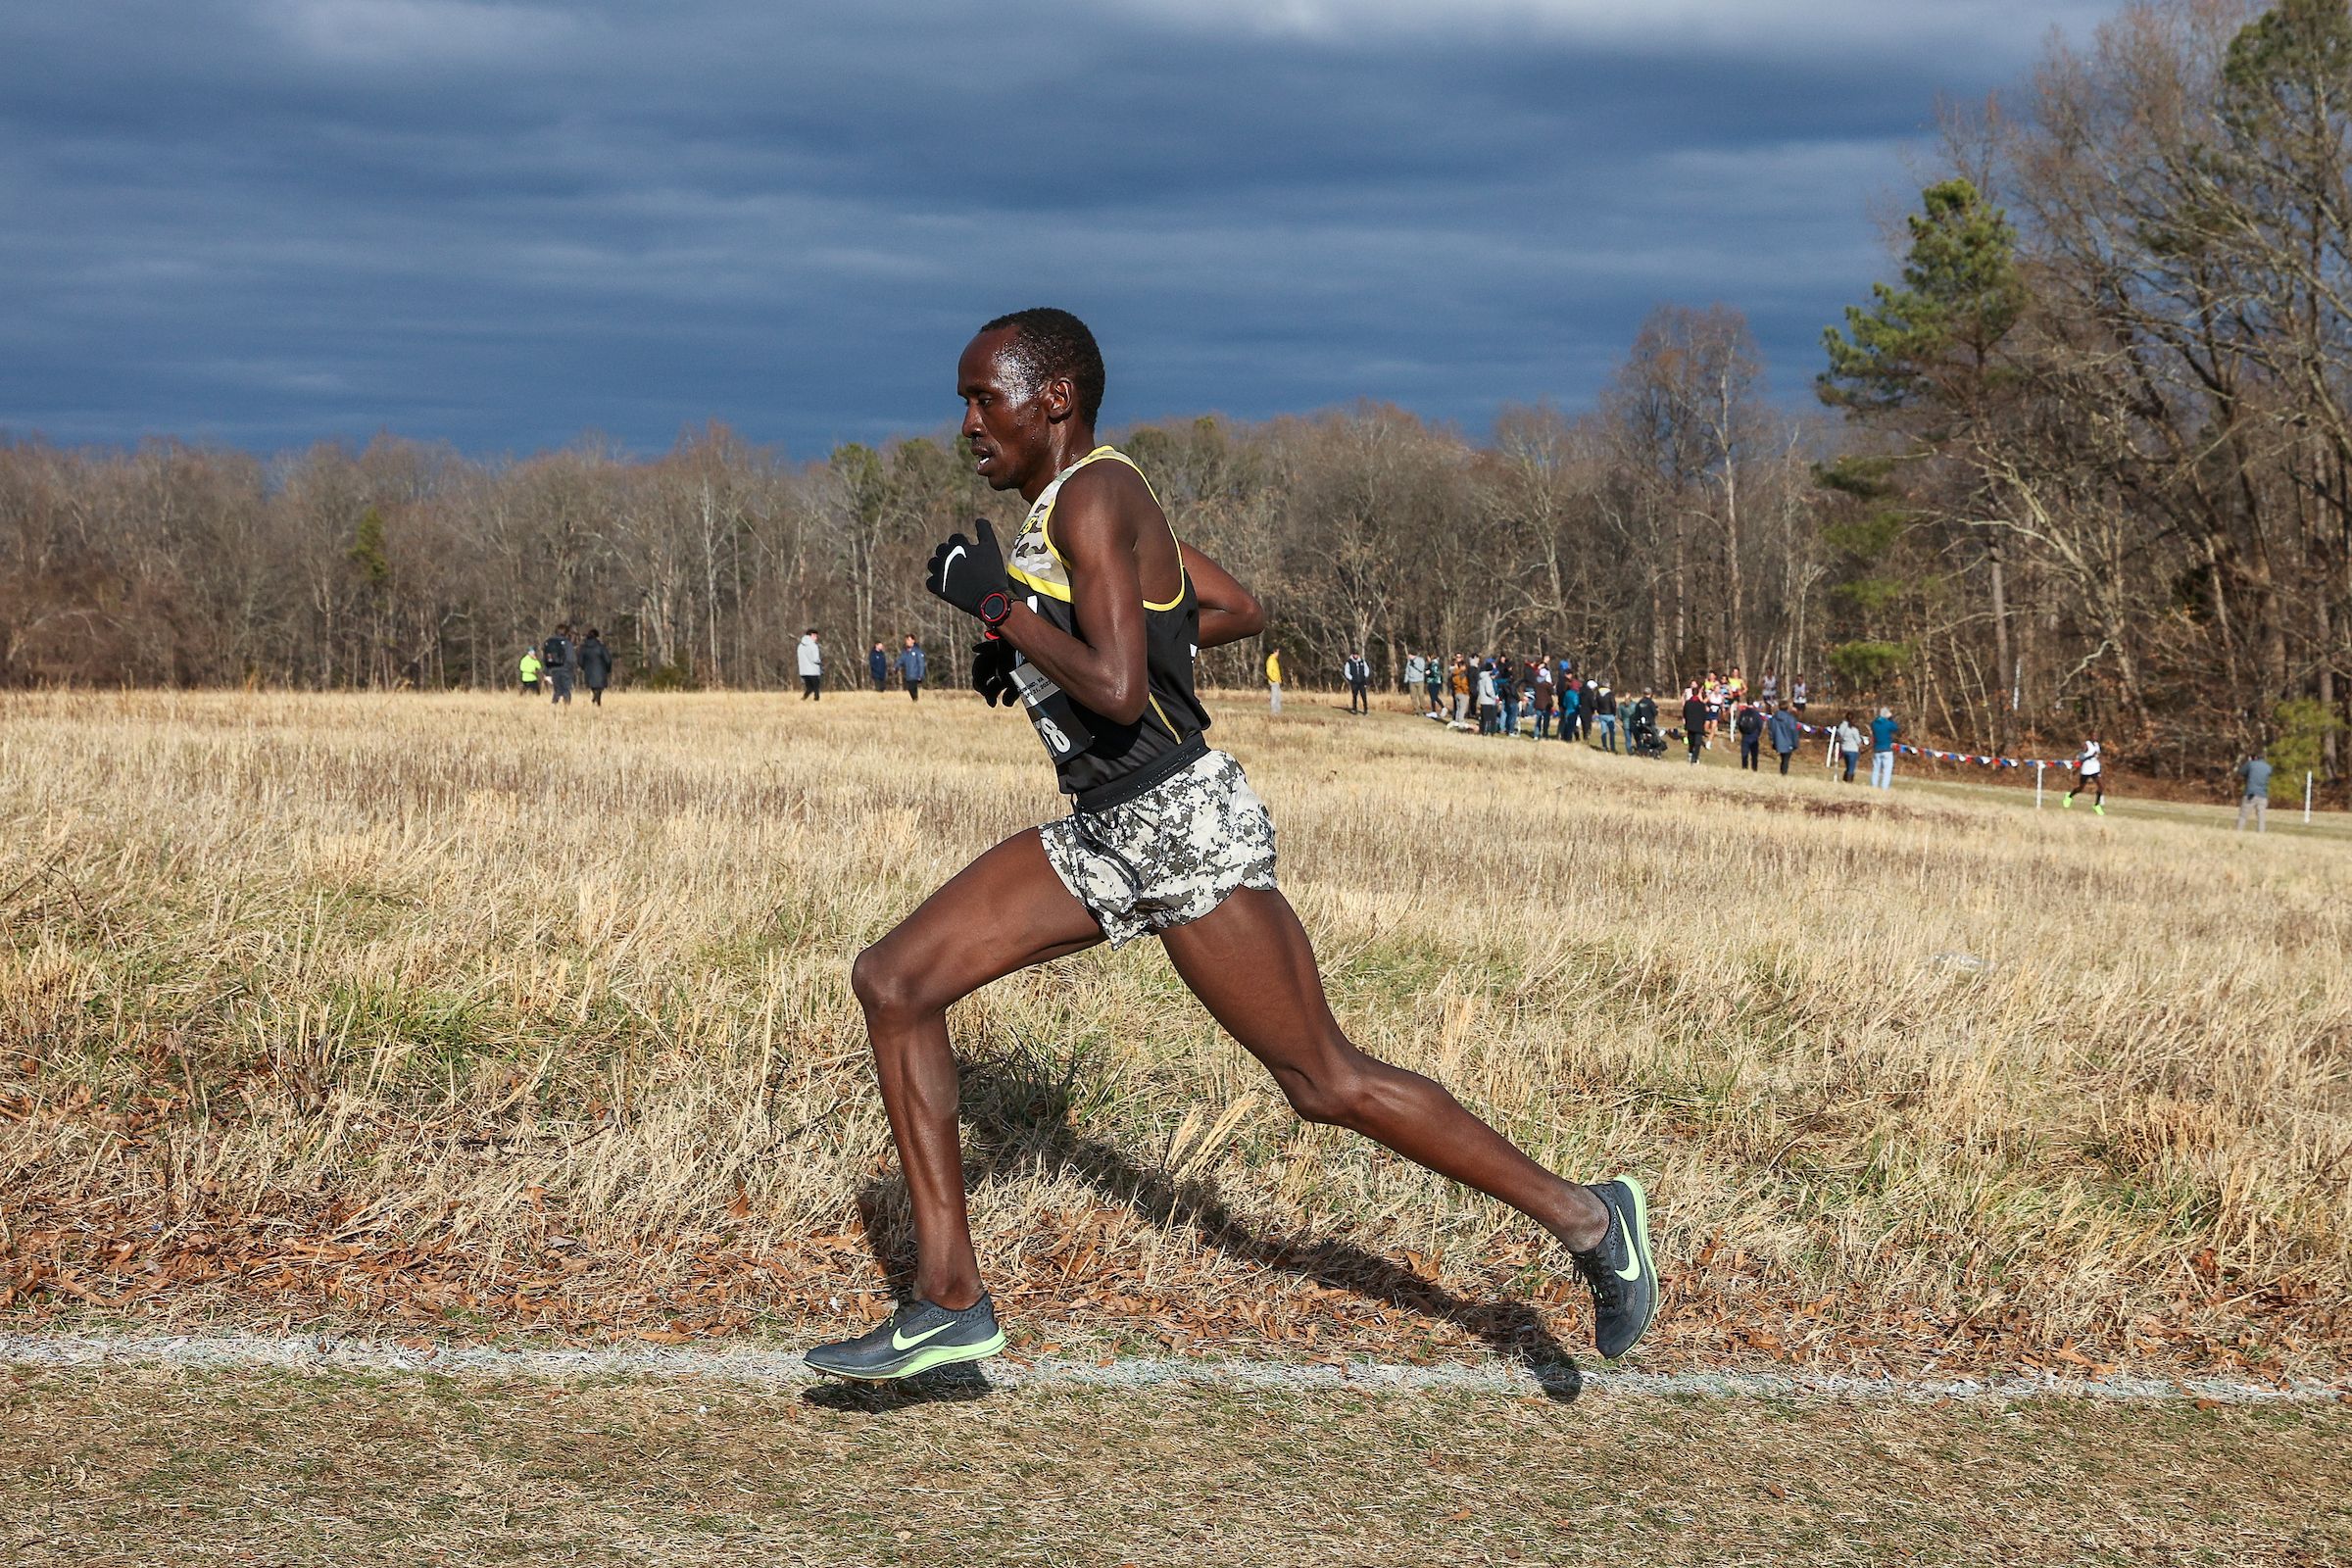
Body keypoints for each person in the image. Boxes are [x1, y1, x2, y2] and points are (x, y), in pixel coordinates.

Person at [801, 307, 1656, 1382]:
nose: (966, 421)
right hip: (1110, 827)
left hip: (1180, 827)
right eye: (964, 399)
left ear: (1053, 399)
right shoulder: (1075, 505)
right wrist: (1032, 646)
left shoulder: (1098, 494)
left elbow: (1117, 685)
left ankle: (1592, 1218)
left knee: (1323, 1079)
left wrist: (1007, 613)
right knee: (894, 981)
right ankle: (950, 1302)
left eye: (986, 397)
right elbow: (1230, 609)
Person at [2065, 734, 2105, 814]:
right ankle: (2069, 796)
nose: (2095, 737)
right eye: (2093, 736)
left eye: (2096, 736)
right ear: (2090, 736)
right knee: (2081, 788)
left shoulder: (2097, 745)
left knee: (2101, 786)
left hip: (2095, 768)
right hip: (2086, 769)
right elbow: (2081, 757)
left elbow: (2097, 756)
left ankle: (2097, 805)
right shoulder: (2086, 745)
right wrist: (2076, 769)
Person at [2234, 749, 2273, 832]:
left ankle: (2238, 832)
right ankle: (2261, 834)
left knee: (2243, 816)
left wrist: (2249, 761)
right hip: (2263, 795)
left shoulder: (2251, 764)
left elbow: (2241, 772)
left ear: (2255, 757)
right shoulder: (2268, 767)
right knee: (2261, 817)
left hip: (2250, 794)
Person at [1868, 707, 1901, 790]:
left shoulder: (1874, 724)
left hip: (1876, 749)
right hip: (1886, 749)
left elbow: (1873, 725)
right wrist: (1891, 719)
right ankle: (1884, 787)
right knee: (1887, 770)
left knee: (1876, 769)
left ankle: (1873, 786)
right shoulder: (1888, 723)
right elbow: (1896, 728)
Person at [578, 627, 612, 707]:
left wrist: (584, 667)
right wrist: (608, 669)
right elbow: (608, 660)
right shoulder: (601, 647)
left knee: (595, 689)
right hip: (601, 671)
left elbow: (580, 661)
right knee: (599, 689)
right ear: (597, 637)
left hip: (589, 672)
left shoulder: (583, 648)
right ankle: (595, 702)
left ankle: (596, 703)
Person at [543, 623, 575, 707]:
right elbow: (571, 659)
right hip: (565, 670)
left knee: (557, 690)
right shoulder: (567, 643)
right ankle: (566, 707)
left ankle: (553, 705)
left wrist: (546, 672)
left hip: (553, 670)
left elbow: (545, 658)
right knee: (566, 690)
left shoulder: (549, 642)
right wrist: (571, 669)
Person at [1767, 701, 1800, 775]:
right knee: (1786, 759)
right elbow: (1794, 732)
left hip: (1778, 741)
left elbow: (1771, 730)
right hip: (1788, 742)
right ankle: (1784, 773)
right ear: (1788, 708)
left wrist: (1772, 740)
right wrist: (1796, 743)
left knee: (1784, 759)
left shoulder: (1774, 718)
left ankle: (1783, 772)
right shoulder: (1791, 719)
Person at [1681, 686, 1709, 765]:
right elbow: (1704, 716)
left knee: (1692, 742)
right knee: (1697, 743)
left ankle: (1692, 756)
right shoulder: (1701, 705)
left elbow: (1684, 714)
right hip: (1699, 726)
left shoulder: (1688, 703)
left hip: (1690, 726)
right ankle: (1694, 758)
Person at [1530, 661, 1556, 740]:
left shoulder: (1536, 683)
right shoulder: (1547, 685)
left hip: (1538, 703)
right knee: (1546, 720)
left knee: (1538, 719)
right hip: (1546, 704)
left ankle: (1536, 734)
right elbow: (1552, 692)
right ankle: (1545, 734)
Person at [1735, 702, 1764, 771]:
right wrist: (1758, 734)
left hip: (1745, 735)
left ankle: (1744, 767)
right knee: (1754, 755)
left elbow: (1739, 723)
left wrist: (1742, 732)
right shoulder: (1756, 713)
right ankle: (1754, 768)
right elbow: (1760, 725)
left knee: (1744, 753)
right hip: (1754, 736)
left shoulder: (1743, 712)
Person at [898, 634, 927, 701]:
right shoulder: (905, 652)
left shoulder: (917, 651)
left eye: (909, 640)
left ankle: (916, 700)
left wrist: (920, 675)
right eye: (907, 640)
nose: (907, 642)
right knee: (910, 689)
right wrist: (896, 667)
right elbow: (901, 660)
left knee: (913, 688)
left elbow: (921, 664)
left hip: (916, 675)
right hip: (908, 675)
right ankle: (915, 700)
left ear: (913, 641)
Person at [1836, 712, 1863, 783]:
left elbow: (1839, 734)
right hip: (1853, 750)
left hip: (1844, 749)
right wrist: (1861, 748)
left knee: (1848, 767)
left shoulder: (1842, 727)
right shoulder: (1854, 730)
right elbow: (1858, 741)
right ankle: (1849, 781)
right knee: (1851, 768)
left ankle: (1845, 780)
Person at [798, 628, 823, 699]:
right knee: (816, 689)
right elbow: (815, 659)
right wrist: (820, 661)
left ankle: (803, 699)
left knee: (809, 688)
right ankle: (816, 701)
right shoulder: (813, 646)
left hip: (804, 671)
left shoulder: (800, 646)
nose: (816, 638)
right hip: (813, 671)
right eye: (815, 636)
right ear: (811, 635)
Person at [1594, 684, 1620, 753]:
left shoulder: (1598, 693)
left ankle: (1604, 747)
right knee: (1612, 732)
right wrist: (1614, 713)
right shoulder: (1610, 694)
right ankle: (1612, 747)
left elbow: (1596, 704)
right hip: (1610, 714)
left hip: (1601, 714)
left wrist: (1598, 711)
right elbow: (1613, 704)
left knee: (1603, 731)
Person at [1344, 651, 1370, 715]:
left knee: (1364, 696)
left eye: (1357, 655)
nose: (1356, 656)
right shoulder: (1349, 662)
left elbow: (1367, 669)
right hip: (1354, 682)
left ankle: (1365, 710)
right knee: (1355, 695)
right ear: (1352, 655)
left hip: (1362, 682)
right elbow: (1346, 671)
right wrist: (1351, 678)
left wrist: (1365, 676)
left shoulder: (1362, 661)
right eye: (1354, 655)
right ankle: (1354, 709)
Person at [1265, 646, 1283, 714]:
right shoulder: (1271, 660)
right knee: (1274, 697)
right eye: (1278, 652)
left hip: (1277, 681)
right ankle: (1274, 712)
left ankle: (1278, 712)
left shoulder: (1274, 660)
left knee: (1278, 697)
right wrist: (1274, 679)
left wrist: (1279, 679)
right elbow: (1269, 671)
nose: (1278, 654)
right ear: (1275, 652)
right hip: (1274, 681)